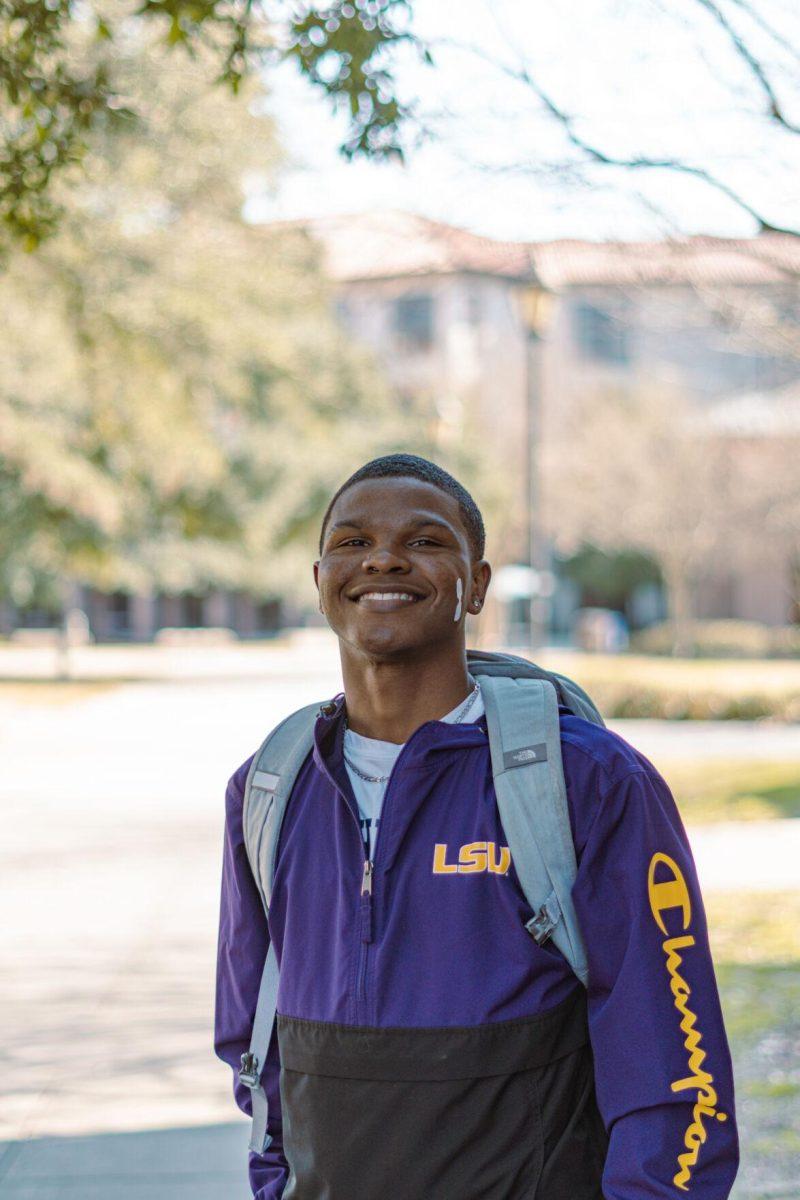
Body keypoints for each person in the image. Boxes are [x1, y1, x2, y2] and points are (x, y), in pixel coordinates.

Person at [215, 453, 738, 1200]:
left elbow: (674, 1067)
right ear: (321, 578)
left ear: (478, 584)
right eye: (353, 542)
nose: (384, 558)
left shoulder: (589, 780)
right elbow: (252, 1046)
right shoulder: (271, 784)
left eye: (425, 541)